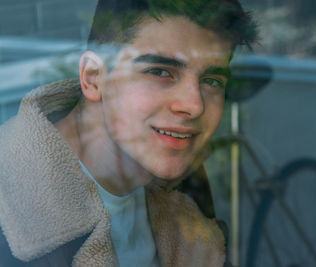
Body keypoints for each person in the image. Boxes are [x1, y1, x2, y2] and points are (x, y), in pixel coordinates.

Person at [0, 0, 257, 266]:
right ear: (93, 77)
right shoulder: (9, 214)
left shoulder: (186, 184)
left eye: (212, 81)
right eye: (160, 71)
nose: (194, 105)